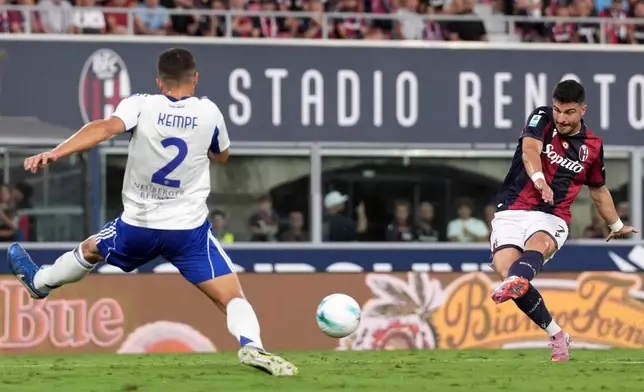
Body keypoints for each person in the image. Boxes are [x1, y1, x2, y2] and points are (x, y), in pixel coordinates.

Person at [7, 48, 297, 376]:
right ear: (196, 78)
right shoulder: (210, 112)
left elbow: (104, 127)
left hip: (138, 226)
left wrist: (56, 152)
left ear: (160, 82)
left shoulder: (141, 104)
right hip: (188, 233)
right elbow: (223, 155)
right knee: (231, 296)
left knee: (90, 249)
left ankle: (40, 282)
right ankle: (253, 346)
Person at [489, 80, 638, 362]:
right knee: (506, 272)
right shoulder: (542, 118)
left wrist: (617, 225)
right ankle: (557, 334)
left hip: (552, 215)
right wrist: (539, 179)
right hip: (511, 208)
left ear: (583, 110)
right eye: (558, 110)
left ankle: (519, 278)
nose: (561, 118)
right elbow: (530, 150)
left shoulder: (592, 146)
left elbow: (598, 190)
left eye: (569, 112)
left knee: (537, 245)